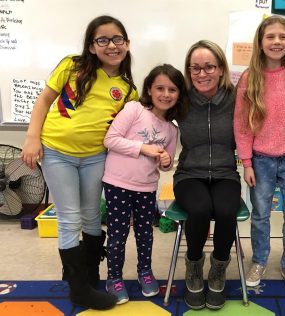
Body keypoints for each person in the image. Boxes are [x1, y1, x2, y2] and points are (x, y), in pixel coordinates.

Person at [21, 16, 138, 310]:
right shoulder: (72, 66)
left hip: (95, 157)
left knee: (91, 216)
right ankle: (78, 289)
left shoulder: (126, 88)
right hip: (57, 152)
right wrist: (32, 137)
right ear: (91, 45)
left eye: (117, 39)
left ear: (127, 44)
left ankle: (89, 276)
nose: (111, 45)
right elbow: (44, 101)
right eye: (103, 40)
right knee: (69, 217)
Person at [234, 15, 285, 294]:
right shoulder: (249, 77)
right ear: (260, 42)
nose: (277, 42)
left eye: (282, 37)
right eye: (270, 37)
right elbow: (241, 124)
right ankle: (260, 260)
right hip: (261, 159)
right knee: (261, 215)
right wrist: (247, 162)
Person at [102, 64, 185, 304]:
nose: (166, 94)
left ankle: (145, 272)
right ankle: (113, 278)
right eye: (160, 88)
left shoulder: (171, 129)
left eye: (172, 89)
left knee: (145, 233)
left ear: (179, 94)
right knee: (117, 235)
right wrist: (143, 147)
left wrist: (167, 161)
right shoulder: (134, 109)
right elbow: (110, 139)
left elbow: (164, 165)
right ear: (149, 89)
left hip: (147, 187)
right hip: (117, 184)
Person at [173, 40, 241, 311]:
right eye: (195, 68)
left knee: (225, 211)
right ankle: (193, 265)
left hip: (226, 172)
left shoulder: (238, 99)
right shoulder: (181, 100)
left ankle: (218, 269)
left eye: (209, 67)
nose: (202, 74)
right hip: (189, 174)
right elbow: (152, 112)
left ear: (222, 69)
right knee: (200, 210)